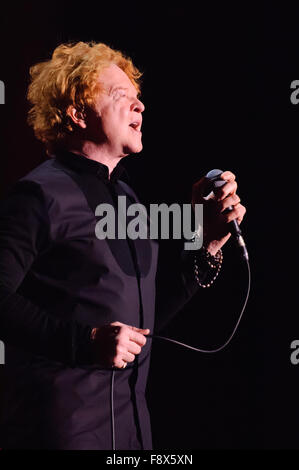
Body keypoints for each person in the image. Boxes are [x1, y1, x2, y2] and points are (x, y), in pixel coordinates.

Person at [0, 41, 246, 450]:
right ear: (78, 114)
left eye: (138, 98)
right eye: (121, 97)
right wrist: (84, 342)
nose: (140, 107)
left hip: (132, 432)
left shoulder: (127, 198)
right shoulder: (38, 195)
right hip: (60, 431)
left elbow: (142, 320)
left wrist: (206, 245)